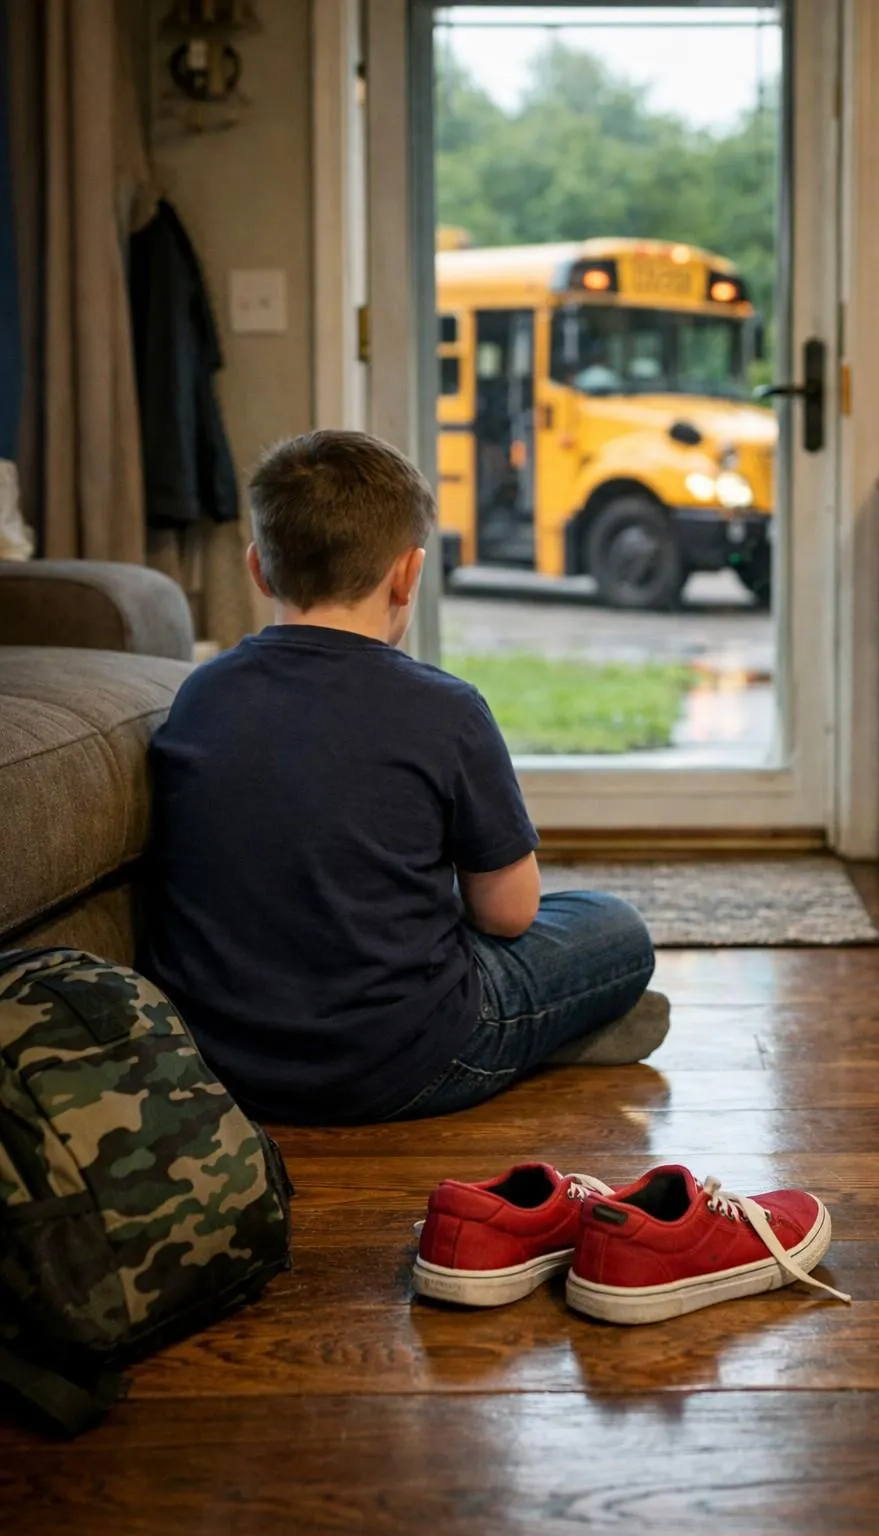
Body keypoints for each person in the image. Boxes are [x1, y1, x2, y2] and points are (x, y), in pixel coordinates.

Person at [142, 431, 668, 1125]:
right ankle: (564, 1030)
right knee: (614, 928)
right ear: (407, 574)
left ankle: (562, 1029)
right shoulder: (447, 709)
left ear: (259, 570)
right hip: (402, 1061)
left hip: (224, 1062)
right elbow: (508, 914)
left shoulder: (200, 694)